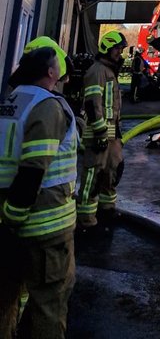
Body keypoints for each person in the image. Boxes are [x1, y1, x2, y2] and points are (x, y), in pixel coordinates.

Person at [0, 43, 78, 339]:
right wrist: (14, 216)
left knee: (6, 299)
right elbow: (33, 170)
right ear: (50, 72)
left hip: (8, 226)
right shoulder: (48, 107)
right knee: (49, 305)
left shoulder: (11, 101)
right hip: (44, 229)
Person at [76, 31, 126, 228]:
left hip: (111, 133)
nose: (119, 53)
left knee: (113, 169)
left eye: (121, 50)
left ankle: (107, 209)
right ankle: (86, 218)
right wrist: (99, 132)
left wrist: (116, 133)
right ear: (107, 48)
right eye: (117, 49)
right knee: (93, 176)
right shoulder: (97, 71)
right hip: (98, 134)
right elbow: (92, 103)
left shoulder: (110, 71)